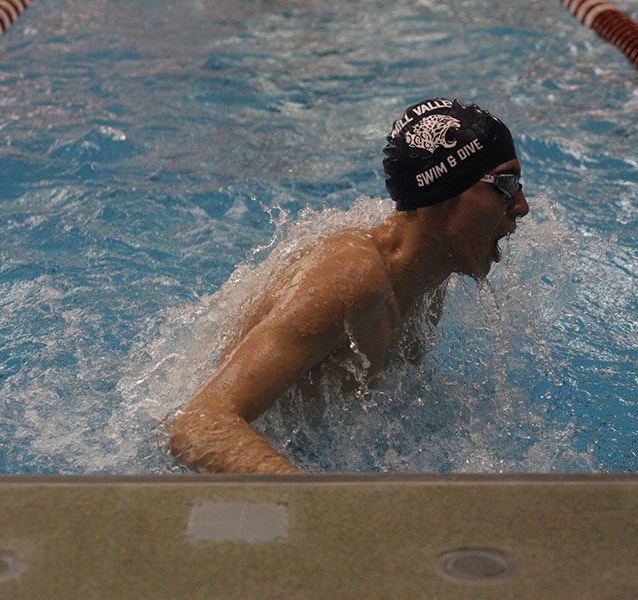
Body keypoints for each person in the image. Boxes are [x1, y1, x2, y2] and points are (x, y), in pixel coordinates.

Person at [167, 98, 530, 474]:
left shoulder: (426, 283)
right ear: (445, 190)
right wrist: (318, 508)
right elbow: (196, 424)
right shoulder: (351, 278)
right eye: (506, 184)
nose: (521, 206)